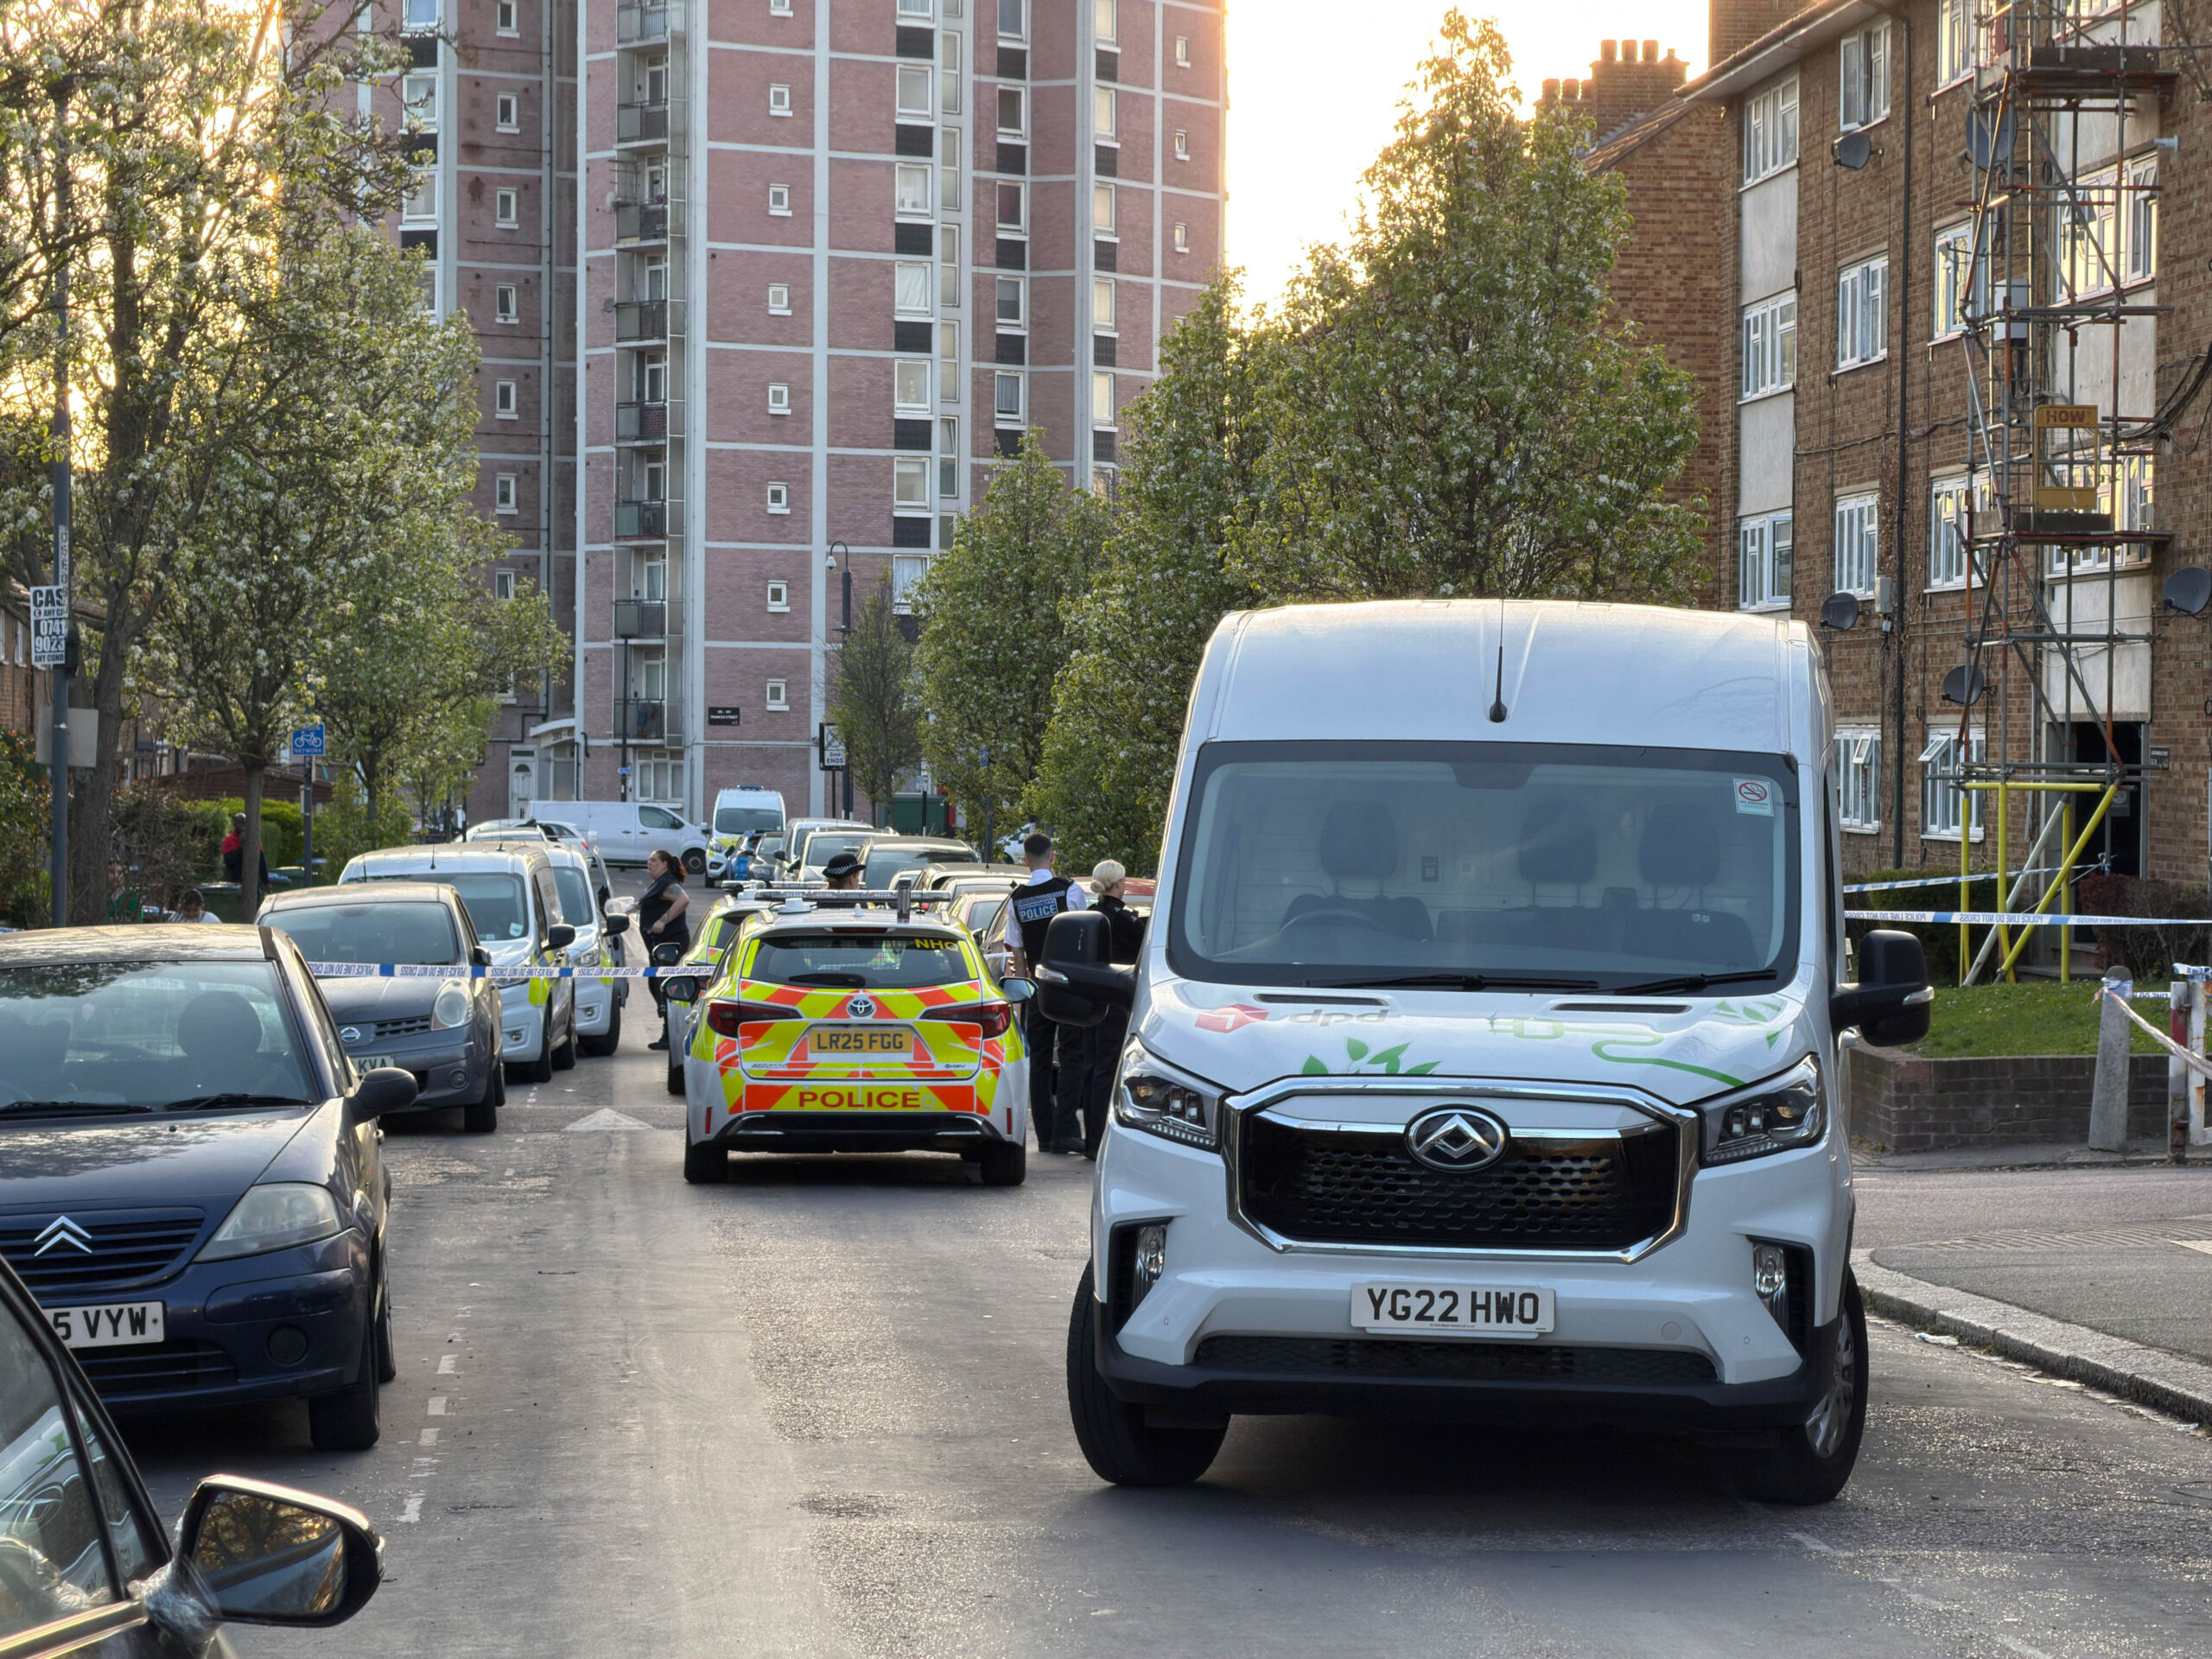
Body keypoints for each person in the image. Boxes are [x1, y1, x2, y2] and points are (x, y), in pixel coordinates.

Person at [1002, 832, 1088, 1154]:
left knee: (1038, 1060)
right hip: (1068, 985)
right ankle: (1067, 1129)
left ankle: (1046, 1135)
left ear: (1025, 860)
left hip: (1037, 987)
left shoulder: (1017, 899)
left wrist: (1023, 995)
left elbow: (1019, 954)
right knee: (1071, 1056)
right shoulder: (1070, 890)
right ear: (1052, 857)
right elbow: (1082, 940)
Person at [1071, 861, 1147, 1158]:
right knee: (1109, 1070)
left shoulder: (1088, 917)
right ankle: (1103, 1141)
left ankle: (1092, 1139)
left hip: (1091, 1001)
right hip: (1117, 1002)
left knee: (1091, 1066)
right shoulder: (1126, 920)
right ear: (1118, 884)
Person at [640, 849, 692, 1051]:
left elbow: (683, 900)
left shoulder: (667, 882)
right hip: (659, 947)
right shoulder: (659, 884)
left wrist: (662, 921)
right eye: (649, 859)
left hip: (670, 945)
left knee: (668, 988)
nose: (649, 862)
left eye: (653, 860)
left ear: (664, 864)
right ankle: (670, 1032)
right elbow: (654, 904)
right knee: (658, 986)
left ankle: (672, 1035)